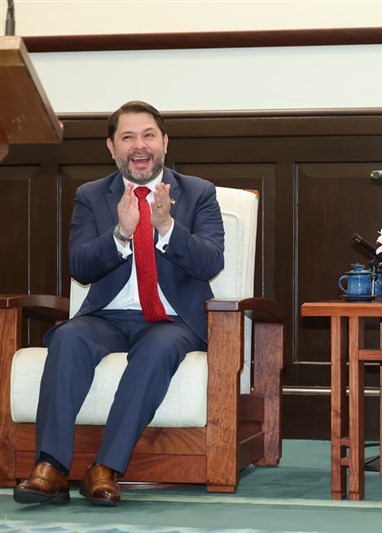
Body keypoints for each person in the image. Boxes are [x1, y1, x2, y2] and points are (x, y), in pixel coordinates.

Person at [13, 101, 225, 506]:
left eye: (148, 135)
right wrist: (120, 235)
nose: (139, 146)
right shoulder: (92, 196)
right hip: (107, 316)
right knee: (68, 338)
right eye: (127, 137)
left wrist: (166, 227)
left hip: (170, 319)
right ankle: (51, 467)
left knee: (159, 349)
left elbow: (211, 260)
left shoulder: (198, 193)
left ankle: (105, 468)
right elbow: (80, 266)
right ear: (112, 147)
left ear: (164, 142)